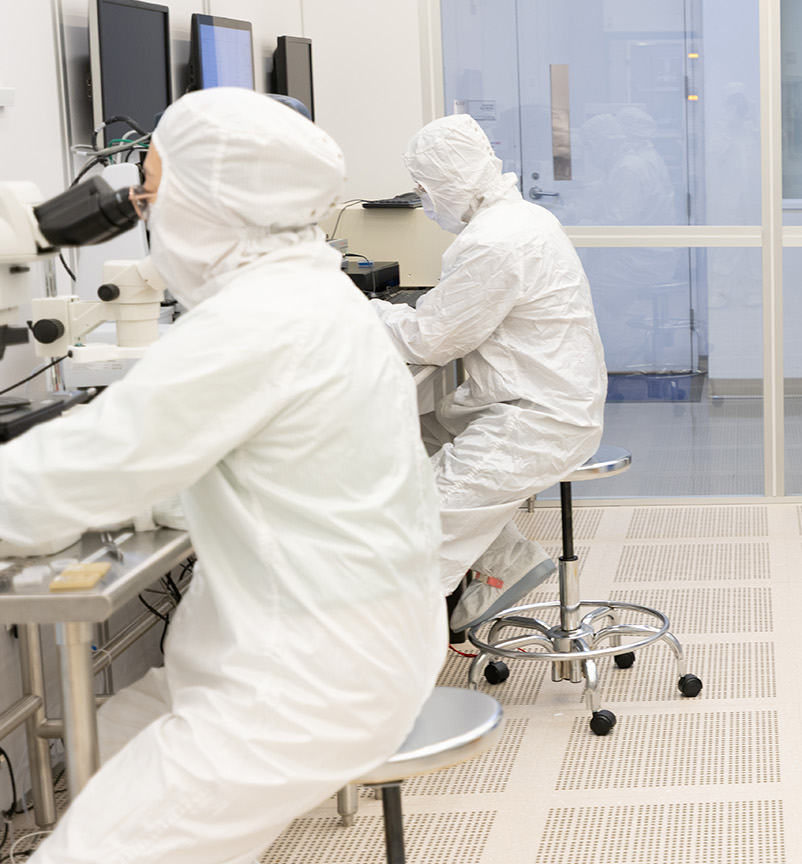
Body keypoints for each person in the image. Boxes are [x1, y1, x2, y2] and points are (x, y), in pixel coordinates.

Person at [0, 88, 443, 860]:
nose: (144, 210)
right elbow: (242, 462)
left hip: (304, 681)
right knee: (97, 750)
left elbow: (87, 471)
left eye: (152, 189)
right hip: (326, 647)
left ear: (213, 198)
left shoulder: (259, 320)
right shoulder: (309, 293)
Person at [372, 114, 606, 631]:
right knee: (394, 442)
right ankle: (507, 560)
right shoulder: (522, 219)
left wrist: (361, 310)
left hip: (535, 422)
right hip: (531, 403)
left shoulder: (494, 242)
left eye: (424, 188)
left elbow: (430, 340)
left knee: (412, 533)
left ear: (449, 182)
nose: (423, 199)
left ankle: (393, 681)